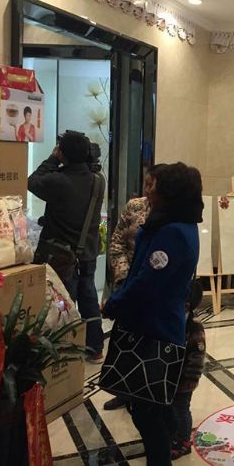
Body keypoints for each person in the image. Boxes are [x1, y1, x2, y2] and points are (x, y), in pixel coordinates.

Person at [103, 162, 203, 466]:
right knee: (150, 407)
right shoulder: (171, 223)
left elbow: (147, 283)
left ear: (170, 192)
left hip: (154, 331)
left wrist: (113, 304)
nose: (147, 191)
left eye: (152, 185)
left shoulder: (173, 232)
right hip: (151, 325)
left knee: (148, 412)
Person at [29, 131, 105, 362]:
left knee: (61, 304)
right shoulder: (98, 180)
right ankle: (94, 347)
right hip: (87, 252)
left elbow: (32, 181)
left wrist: (53, 159)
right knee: (88, 297)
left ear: (62, 153)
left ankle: (62, 355)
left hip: (61, 256)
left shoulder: (58, 181)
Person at [103, 164, 165, 411]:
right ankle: (123, 391)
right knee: (124, 342)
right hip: (128, 285)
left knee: (148, 347)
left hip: (152, 290)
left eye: (151, 185)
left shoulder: (172, 216)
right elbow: (117, 242)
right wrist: (123, 277)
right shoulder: (134, 207)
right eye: (145, 183)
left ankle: (144, 395)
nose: (146, 189)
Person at [171, 281, 206, 460]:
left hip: (184, 381)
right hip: (171, 379)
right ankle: (174, 435)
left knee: (181, 410)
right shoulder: (173, 321)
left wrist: (188, 380)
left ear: (186, 305)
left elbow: (197, 359)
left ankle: (184, 442)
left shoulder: (194, 328)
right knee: (173, 409)